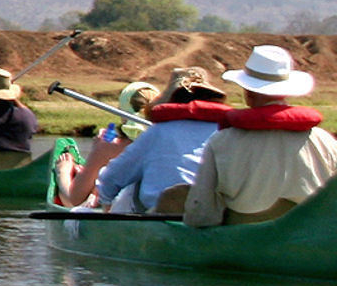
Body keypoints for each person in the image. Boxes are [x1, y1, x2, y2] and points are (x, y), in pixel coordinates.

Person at [184, 45, 337, 227]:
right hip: (308, 245)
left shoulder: (222, 141)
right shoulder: (324, 141)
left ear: (248, 93)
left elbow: (201, 211)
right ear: (287, 91)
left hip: (243, 245)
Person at [95, 66, 232, 213]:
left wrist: (106, 203)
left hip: (161, 216)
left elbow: (111, 178)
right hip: (215, 216)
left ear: (172, 100)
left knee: (133, 185)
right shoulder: (228, 133)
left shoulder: (157, 132)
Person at [55, 82, 160, 207]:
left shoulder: (108, 147)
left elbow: (75, 199)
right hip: (158, 208)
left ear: (123, 112)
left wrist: (64, 172)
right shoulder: (171, 140)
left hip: (121, 213)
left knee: (68, 199)